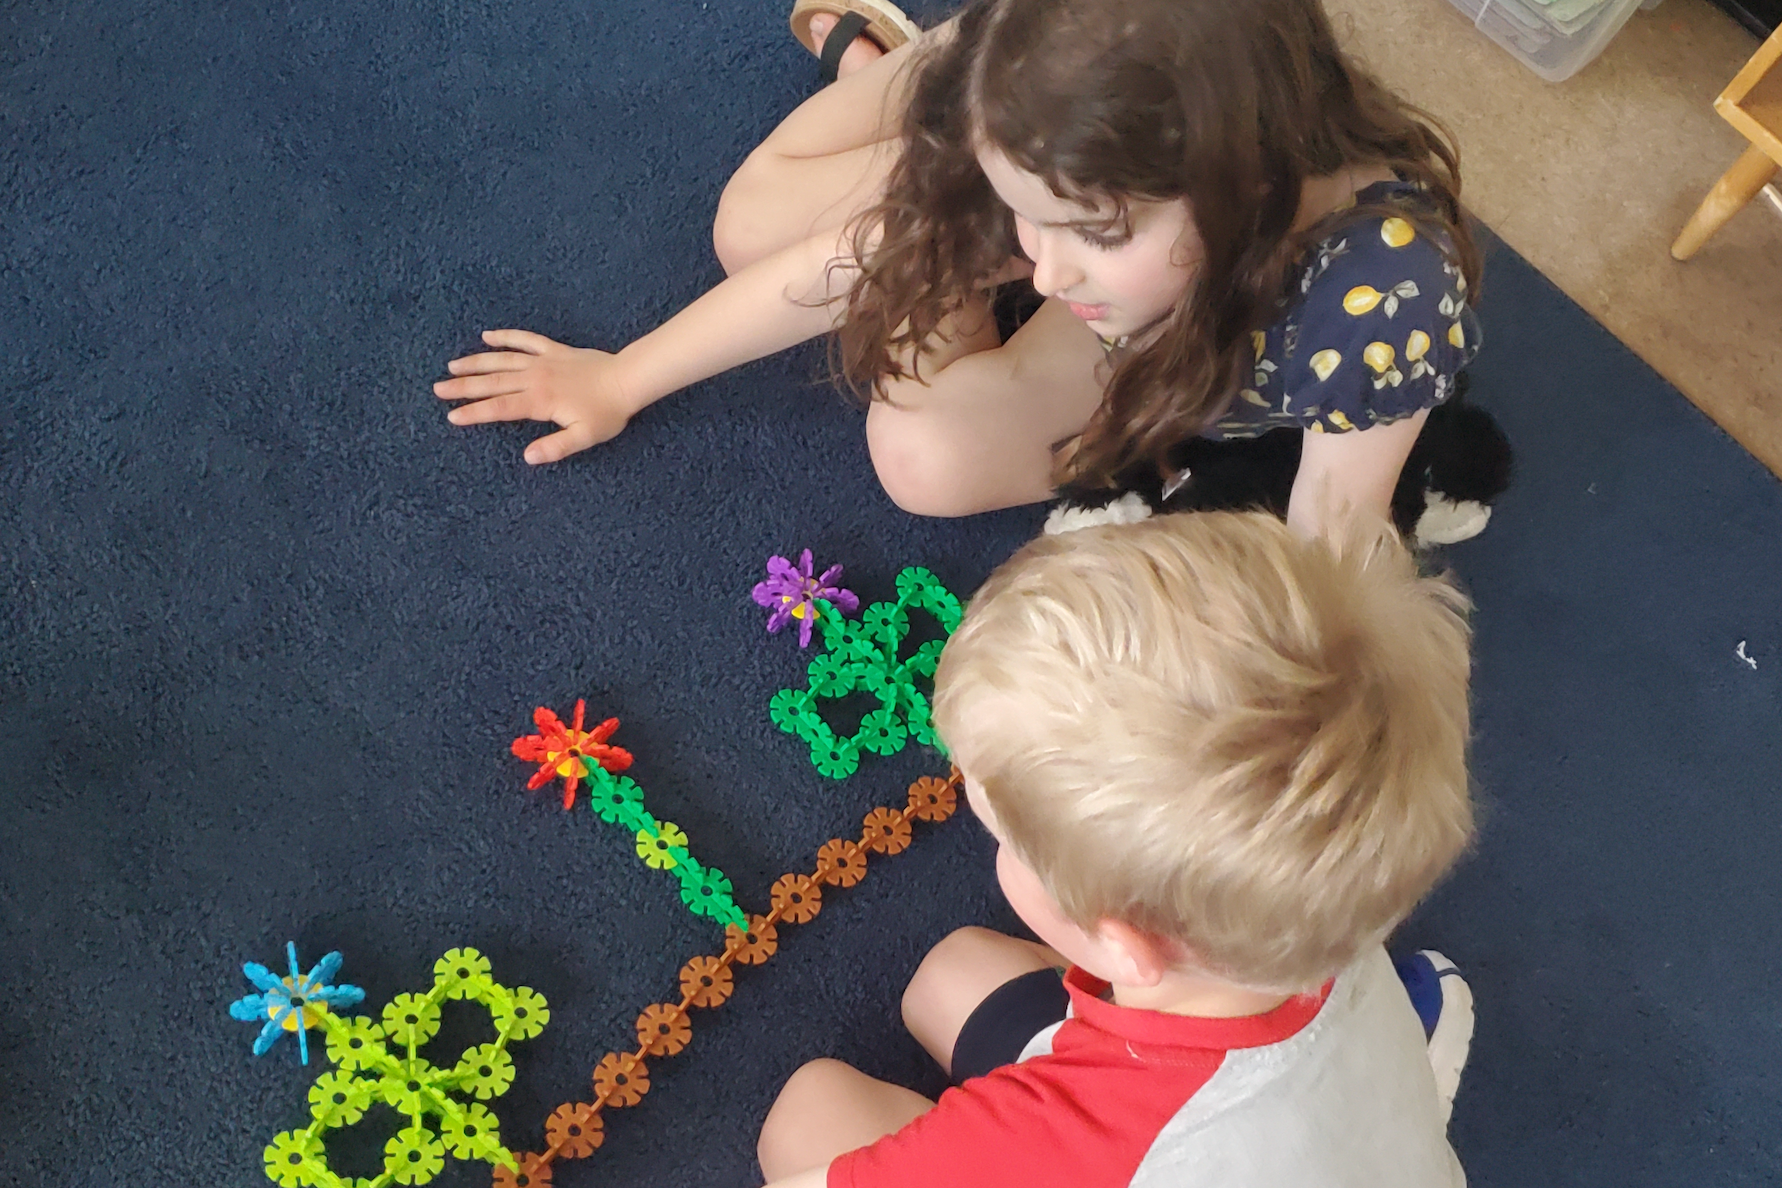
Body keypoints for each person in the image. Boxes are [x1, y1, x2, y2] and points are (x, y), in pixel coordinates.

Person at [435, 0, 1482, 535]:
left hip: (1194, 329)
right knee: (753, 229)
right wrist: (620, 379)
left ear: (1245, 189)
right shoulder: (1066, 183)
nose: (1041, 263)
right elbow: (850, 261)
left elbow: (1336, 538)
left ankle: (961, 75)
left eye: (1088, 232)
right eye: (1028, 222)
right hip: (1074, 164)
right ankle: (927, 59)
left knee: (926, 462)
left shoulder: (1380, 299)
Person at [750, 511, 1477, 1188]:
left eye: (1001, 833)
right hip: (1323, 1114)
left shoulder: (1066, 1142)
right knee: (953, 975)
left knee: (807, 1116)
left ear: (1125, 944)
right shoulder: (1318, 887)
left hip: (1148, 1152)